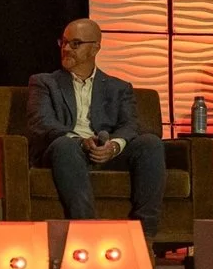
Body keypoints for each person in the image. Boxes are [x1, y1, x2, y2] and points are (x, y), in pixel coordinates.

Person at [27, 18, 165, 235]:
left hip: (105, 148)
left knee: (151, 143)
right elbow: (42, 124)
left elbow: (131, 124)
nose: (66, 49)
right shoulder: (44, 82)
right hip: (67, 150)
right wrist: (81, 142)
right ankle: (89, 232)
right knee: (65, 145)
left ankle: (144, 235)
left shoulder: (118, 87)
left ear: (95, 48)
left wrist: (113, 146)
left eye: (75, 44)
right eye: (63, 42)